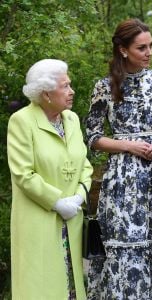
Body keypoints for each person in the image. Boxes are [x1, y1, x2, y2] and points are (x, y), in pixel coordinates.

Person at [85, 18, 152, 299]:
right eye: (142, 48)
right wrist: (128, 145)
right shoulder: (105, 87)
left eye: (151, 46)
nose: (149, 52)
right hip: (122, 179)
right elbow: (92, 136)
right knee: (125, 244)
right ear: (123, 50)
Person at [7, 59, 93, 300]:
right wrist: (57, 202)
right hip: (38, 220)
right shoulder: (22, 121)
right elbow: (23, 173)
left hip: (72, 219)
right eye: (65, 86)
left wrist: (78, 197)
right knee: (40, 286)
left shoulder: (72, 119)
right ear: (46, 93)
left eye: (70, 85)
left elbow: (85, 165)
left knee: (71, 286)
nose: (71, 91)